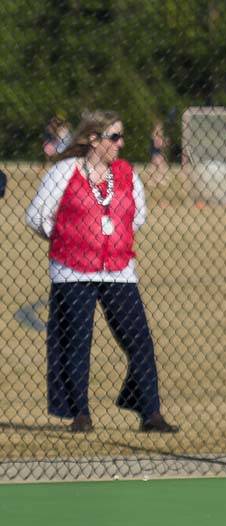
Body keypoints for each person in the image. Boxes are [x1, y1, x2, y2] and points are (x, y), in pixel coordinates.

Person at [25, 110, 179, 434]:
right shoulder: (65, 171)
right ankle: (79, 413)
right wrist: (67, 236)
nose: (120, 144)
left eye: (121, 136)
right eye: (114, 137)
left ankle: (150, 412)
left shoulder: (126, 174)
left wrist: (112, 236)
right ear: (93, 139)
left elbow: (137, 216)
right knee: (76, 340)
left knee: (139, 340)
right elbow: (37, 215)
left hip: (118, 269)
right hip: (72, 269)